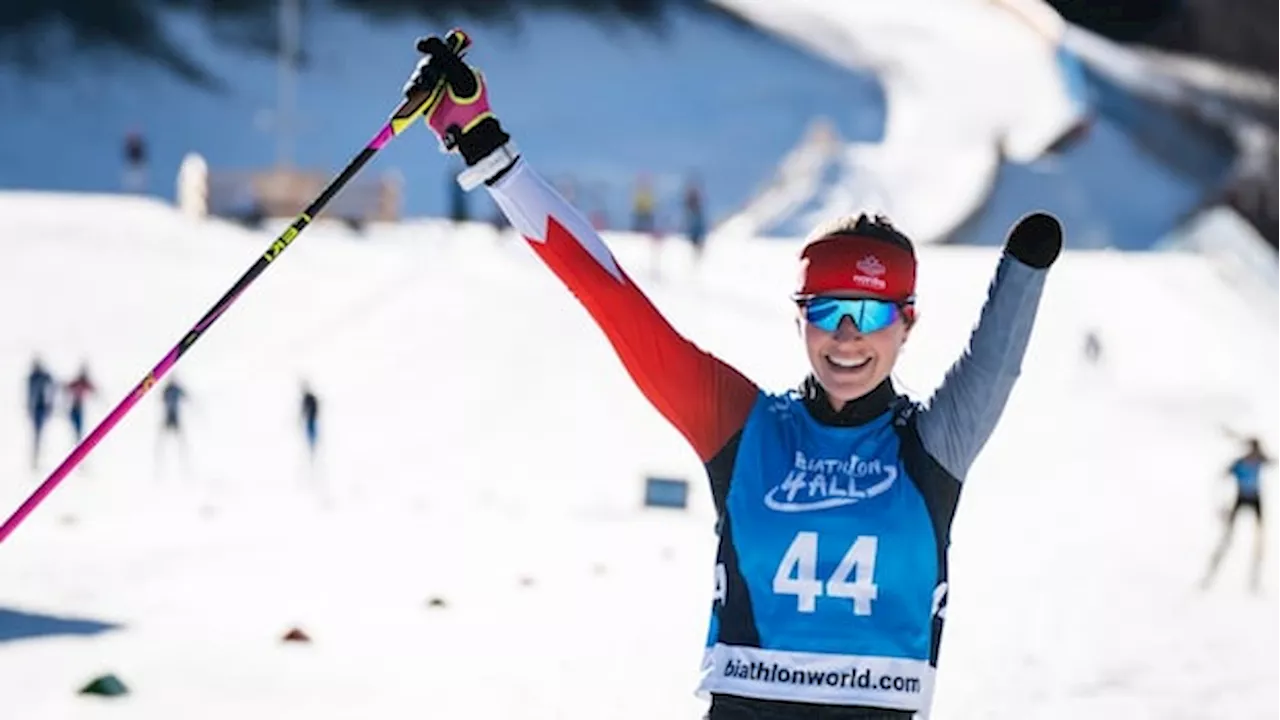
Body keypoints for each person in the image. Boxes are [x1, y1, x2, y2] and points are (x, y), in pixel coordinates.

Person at [402, 32, 1062, 719]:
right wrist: (485, 146)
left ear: (908, 324)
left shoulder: (932, 449)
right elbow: (615, 301)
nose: (846, 336)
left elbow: (996, 360)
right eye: (827, 309)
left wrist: (1026, 272)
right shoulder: (744, 428)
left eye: (870, 314)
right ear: (799, 316)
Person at [1201, 437, 1269, 592]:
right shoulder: (1239, 463)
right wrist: (1221, 506)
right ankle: (1212, 570)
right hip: (1241, 499)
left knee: (1260, 538)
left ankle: (1255, 578)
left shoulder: (1259, 460)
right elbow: (1222, 478)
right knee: (1227, 538)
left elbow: (1270, 460)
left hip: (1255, 500)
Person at [26, 357, 56, 470]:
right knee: (37, 434)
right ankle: (35, 459)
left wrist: (50, 406)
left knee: (40, 434)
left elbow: (52, 387)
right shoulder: (32, 378)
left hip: (42, 408)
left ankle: (38, 458)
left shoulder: (44, 377)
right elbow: (30, 394)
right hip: (36, 410)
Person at [64, 363, 98, 444]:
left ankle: (78, 442)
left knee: (79, 428)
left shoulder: (84, 383)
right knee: (76, 427)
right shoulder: (78, 382)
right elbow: (67, 387)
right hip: (74, 408)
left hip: (79, 408)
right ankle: (77, 442)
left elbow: (94, 390)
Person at [300, 383, 320, 461]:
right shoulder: (310, 398)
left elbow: (305, 409)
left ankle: (312, 449)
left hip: (311, 419)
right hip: (311, 419)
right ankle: (312, 448)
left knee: (311, 433)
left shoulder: (309, 398)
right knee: (311, 434)